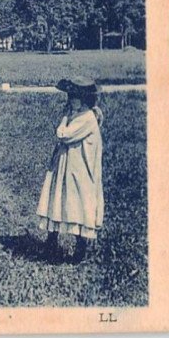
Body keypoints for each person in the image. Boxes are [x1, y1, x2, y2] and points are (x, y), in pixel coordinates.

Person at [37, 77, 104, 264]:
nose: (70, 100)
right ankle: (51, 244)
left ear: (84, 99)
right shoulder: (78, 115)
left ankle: (79, 251)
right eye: (70, 96)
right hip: (67, 167)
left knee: (77, 205)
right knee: (58, 200)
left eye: (74, 96)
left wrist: (65, 117)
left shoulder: (87, 118)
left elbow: (63, 135)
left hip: (79, 171)